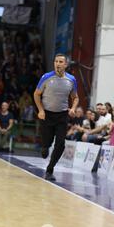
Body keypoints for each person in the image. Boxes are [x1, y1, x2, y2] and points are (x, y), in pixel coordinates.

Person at [34, 53, 79, 181]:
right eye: (56, 61)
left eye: (60, 62)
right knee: (46, 144)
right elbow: (37, 94)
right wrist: (41, 110)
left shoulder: (71, 79)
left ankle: (50, 169)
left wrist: (74, 108)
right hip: (46, 115)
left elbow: (75, 97)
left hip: (62, 115)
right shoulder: (46, 77)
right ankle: (44, 147)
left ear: (65, 64)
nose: (58, 64)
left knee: (60, 144)